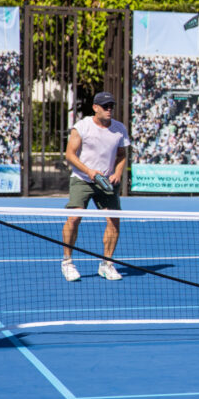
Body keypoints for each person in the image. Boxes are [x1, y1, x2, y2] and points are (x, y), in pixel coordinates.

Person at [61, 92, 130, 282]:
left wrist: (117, 173)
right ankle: (67, 262)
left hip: (106, 182)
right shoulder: (82, 126)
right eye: (105, 106)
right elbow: (70, 154)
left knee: (114, 221)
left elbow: (122, 155)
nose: (109, 109)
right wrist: (89, 171)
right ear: (95, 107)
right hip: (82, 179)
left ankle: (107, 264)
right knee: (74, 218)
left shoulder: (119, 129)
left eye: (111, 106)